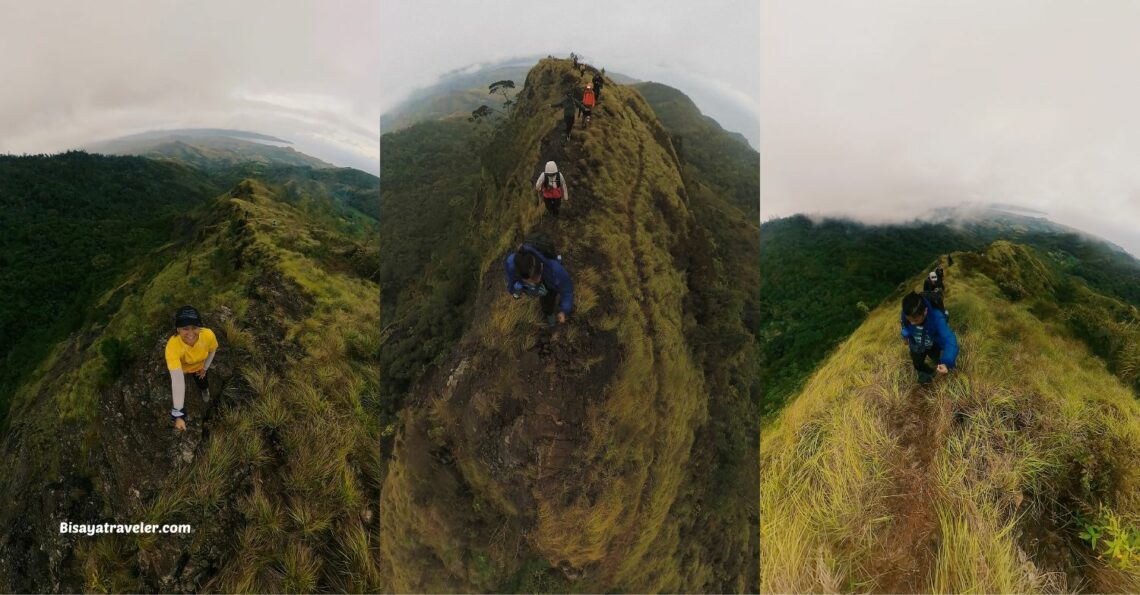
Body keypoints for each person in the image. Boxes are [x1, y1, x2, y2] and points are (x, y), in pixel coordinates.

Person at [166, 306, 218, 431]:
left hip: (199, 367)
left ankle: (205, 390)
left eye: (194, 328)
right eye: (185, 328)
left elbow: (212, 350)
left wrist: (205, 368)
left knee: (202, 381)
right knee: (179, 382)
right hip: (182, 369)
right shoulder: (172, 346)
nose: (190, 333)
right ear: (178, 329)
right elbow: (177, 381)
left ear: (200, 327)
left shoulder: (208, 335)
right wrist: (179, 415)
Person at [504, 237, 574, 327]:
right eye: (529, 280)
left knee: (547, 301)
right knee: (522, 287)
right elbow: (511, 280)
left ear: (540, 267)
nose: (534, 282)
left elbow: (567, 291)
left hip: (548, 284)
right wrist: (513, 290)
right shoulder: (512, 263)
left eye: (535, 278)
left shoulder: (556, 271)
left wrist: (564, 311)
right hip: (526, 282)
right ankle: (522, 293)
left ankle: (549, 314)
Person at [900, 291, 958, 384]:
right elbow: (905, 325)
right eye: (909, 319)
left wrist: (946, 362)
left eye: (916, 320)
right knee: (918, 364)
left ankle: (940, 367)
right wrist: (905, 335)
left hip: (932, 344)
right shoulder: (907, 312)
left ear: (925, 311)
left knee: (936, 358)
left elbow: (949, 339)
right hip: (915, 345)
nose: (912, 323)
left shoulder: (936, 317)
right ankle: (930, 374)